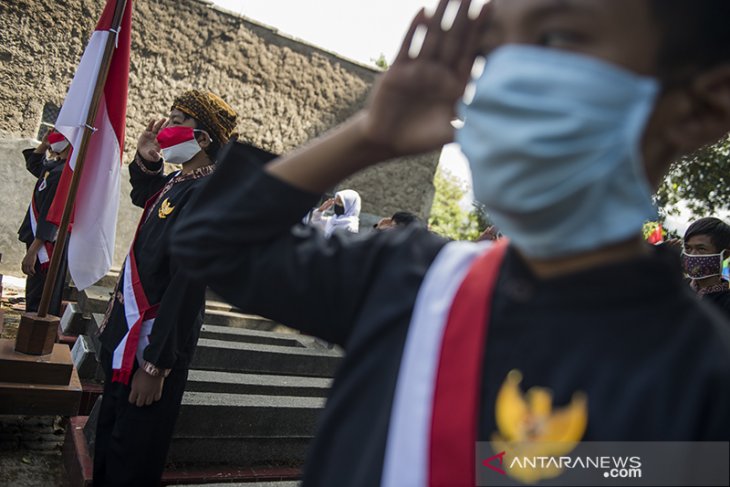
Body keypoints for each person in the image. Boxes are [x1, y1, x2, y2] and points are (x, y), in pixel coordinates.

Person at [172, 1, 730, 485]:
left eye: (557, 37)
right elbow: (213, 244)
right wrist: (369, 136)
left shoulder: (703, 379)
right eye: (493, 51)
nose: (508, 78)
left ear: (702, 104)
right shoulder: (415, 275)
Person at [92, 90, 241, 486]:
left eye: (177, 120)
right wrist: (148, 159)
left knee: (133, 453)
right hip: (129, 333)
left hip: (154, 344)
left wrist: (157, 364)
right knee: (109, 434)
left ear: (203, 139)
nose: (166, 126)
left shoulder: (210, 195)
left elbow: (187, 285)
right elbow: (148, 197)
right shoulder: (181, 180)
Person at [17, 129, 70, 316]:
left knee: (38, 295)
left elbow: (52, 214)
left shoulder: (65, 173)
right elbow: (34, 164)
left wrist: (34, 250)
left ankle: (33, 337)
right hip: (35, 236)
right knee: (33, 289)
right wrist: (45, 144)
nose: (54, 136)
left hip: (44, 245)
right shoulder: (56, 166)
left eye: (60, 134)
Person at [682, 217, 730, 318]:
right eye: (688, 248)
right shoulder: (678, 288)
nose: (692, 255)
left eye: (701, 249)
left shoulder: (726, 302)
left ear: (725, 254)